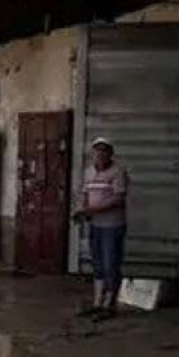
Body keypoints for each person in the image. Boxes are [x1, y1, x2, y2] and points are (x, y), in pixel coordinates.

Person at [74, 137, 129, 319]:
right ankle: (97, 302)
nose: (100, 155)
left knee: (110, 263)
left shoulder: (118, 171)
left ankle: (109, 304)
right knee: (97, 264)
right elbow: (84, 193)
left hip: (112, 226)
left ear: (110, 154)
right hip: (95, 225)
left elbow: (118, 199)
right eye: (97, 151)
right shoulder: (89, 171)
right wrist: (82, 209)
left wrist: (94, 209)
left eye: (104, 151)